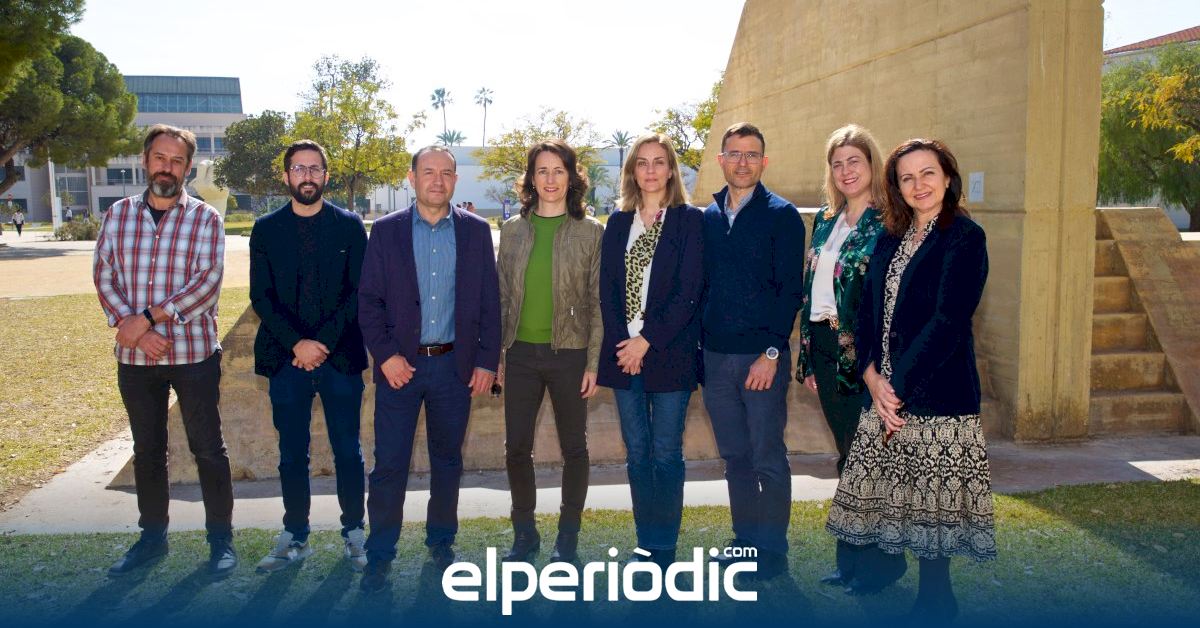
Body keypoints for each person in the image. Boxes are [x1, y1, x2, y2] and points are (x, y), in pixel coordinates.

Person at [826, 138, 994, 621]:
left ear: (948, 178)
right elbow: (865, 310)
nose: (918, 185)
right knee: (895, 497)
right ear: (896, 187)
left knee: (931, 502)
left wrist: (894, 388)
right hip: (882, 390)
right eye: (907, 178)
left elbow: (948, 321)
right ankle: (909, 588)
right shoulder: (890, 236)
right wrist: (870, 375)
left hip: (936, 393)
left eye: (928, 173)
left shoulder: (964, 237)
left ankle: (936, 599)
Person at [93, 124, 235, 578]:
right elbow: (104, 275)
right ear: (145, 160)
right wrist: (132, 328)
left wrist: (149, 319)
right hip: (137, 360)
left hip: (194, 356)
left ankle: (221, 541)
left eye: (176, 161)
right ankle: (152, 539)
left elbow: (207, 284)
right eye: (160, 158)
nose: (167, 168)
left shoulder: (205, 219)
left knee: (208, 449)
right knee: (148, 450)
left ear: (187, 168)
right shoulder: (117, 215)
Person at [357, 145, 500, 593]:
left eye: (446, 173)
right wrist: (386, 356)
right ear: (412, 177)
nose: (437, 181)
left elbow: (490, 302)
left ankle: (441, 542)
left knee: (448, 461)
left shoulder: (476, 231)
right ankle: (380, 553)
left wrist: (486, 360)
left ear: (455, 180)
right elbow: (369, 301)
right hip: (400, 369)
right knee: (389, 464)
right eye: (428, 172)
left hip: (454, 369)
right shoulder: (386, 231)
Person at [249, 140, 369, 573]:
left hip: (340, 359)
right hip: (286, 360)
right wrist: (297, 344)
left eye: (315, 168)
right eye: (299, 168)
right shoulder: (266, 229)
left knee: (348, 451)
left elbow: (358, 292)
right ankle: (295, 534)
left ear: (326, 176)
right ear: (286, 176)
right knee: (291, 453)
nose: (307, 176)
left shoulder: (349, 226)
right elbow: (261, 296)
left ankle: (355, 532)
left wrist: (321, 344)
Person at [796, 125, 906, 594]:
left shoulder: (890, 222)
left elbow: (893, 298)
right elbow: (811, 291)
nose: (845, 171)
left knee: (870, 460)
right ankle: (850, 561)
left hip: (867, 356)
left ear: (872, 164)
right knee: (848, 456)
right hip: (825, 348)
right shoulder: (825, 220)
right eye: (837, 163)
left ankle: (884, 565)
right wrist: (807, 358)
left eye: (854, 161)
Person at [701, 122, 806, 582]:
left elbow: (790, 293)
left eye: (751, 154)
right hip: (716, 359)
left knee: (767, 456)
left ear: (764, 162)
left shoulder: (782, 216)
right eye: (734, 153)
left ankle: (773, 551)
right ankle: (744, 543)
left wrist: (771, 352)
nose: (742, 162)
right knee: (736, 458)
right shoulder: (708, 217)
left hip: (761, 359)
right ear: (721, 160)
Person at [597, 133, 704, 567]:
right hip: (624, 355)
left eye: (659, 162)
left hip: (670, 353)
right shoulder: (618, 222)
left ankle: (665, 546)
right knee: (637, 454)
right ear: (632, 171)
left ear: (672, 170)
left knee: (665, 454)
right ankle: (647, 540)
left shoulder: (688, 221)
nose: (651, 170)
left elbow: (689, 291)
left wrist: (647, 340)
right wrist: (626, 345)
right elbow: (607, 290)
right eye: (642, 162)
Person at [496, 139, 603, 563]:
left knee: (575, 449)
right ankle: (525, 535)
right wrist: (498, 357)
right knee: (516, 449)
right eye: (542, 170)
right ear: (531, 178)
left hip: (570, 354)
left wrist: (593, 362)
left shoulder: (591, 232)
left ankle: (567, 538)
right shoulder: (512, 230)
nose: (551, 179)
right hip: (520, 354)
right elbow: (502, 297)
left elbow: (598, 302)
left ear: (572, 177)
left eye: (559, 170)